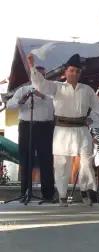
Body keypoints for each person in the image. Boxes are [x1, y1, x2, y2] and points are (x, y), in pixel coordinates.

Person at [27, 53, 99, 207]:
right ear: (65, 72)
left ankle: (85, 191)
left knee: (87, 163)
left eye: (77, 71)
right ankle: (62, 195)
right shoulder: (57, 87)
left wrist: (92, 119)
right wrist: (32, 67)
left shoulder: (87, 90)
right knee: (61, 164)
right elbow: (41, 85)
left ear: (80, 73)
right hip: (62, 131)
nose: (74, 73)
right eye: (71, 70)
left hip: (82, 130)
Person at [7, 66, 55, 202]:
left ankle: (48, 195)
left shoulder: (51, 91)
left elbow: (56, 105)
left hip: (44, 127)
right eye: (36, 74)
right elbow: (10, 105)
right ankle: (24, 193)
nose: (39, 77)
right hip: (26, 126)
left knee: (46, 160)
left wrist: (42, 96)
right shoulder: (23, 89)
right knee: (25, 159)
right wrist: (20, 101)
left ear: (45, 76)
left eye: (42, 75)